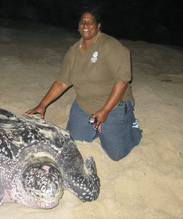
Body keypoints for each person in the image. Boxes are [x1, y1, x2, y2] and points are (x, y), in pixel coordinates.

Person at [25, 7, 142, 161]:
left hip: (114, 106)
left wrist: (106, 110)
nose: (86, 25)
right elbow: (62, 82)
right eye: (82, 22)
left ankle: (132, 125)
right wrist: (42, 105)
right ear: (78, 26)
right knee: (72, 144)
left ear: (98, 26)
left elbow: (123, 80)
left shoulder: (110, 45)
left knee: (116, 154)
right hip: (84, 106)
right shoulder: (73, 51)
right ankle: (98, 129)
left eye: (90, 22)